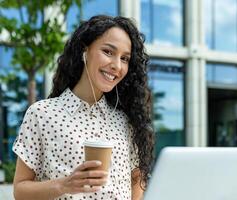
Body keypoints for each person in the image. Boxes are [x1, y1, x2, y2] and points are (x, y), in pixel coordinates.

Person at [12, 15, 154, 200]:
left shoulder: (124, 121)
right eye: (108, 52)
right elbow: (20, 191)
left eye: (125, 58)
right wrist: (63, 185)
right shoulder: (42, 114)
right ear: (84, 50)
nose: (116, 65)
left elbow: (136, 179)